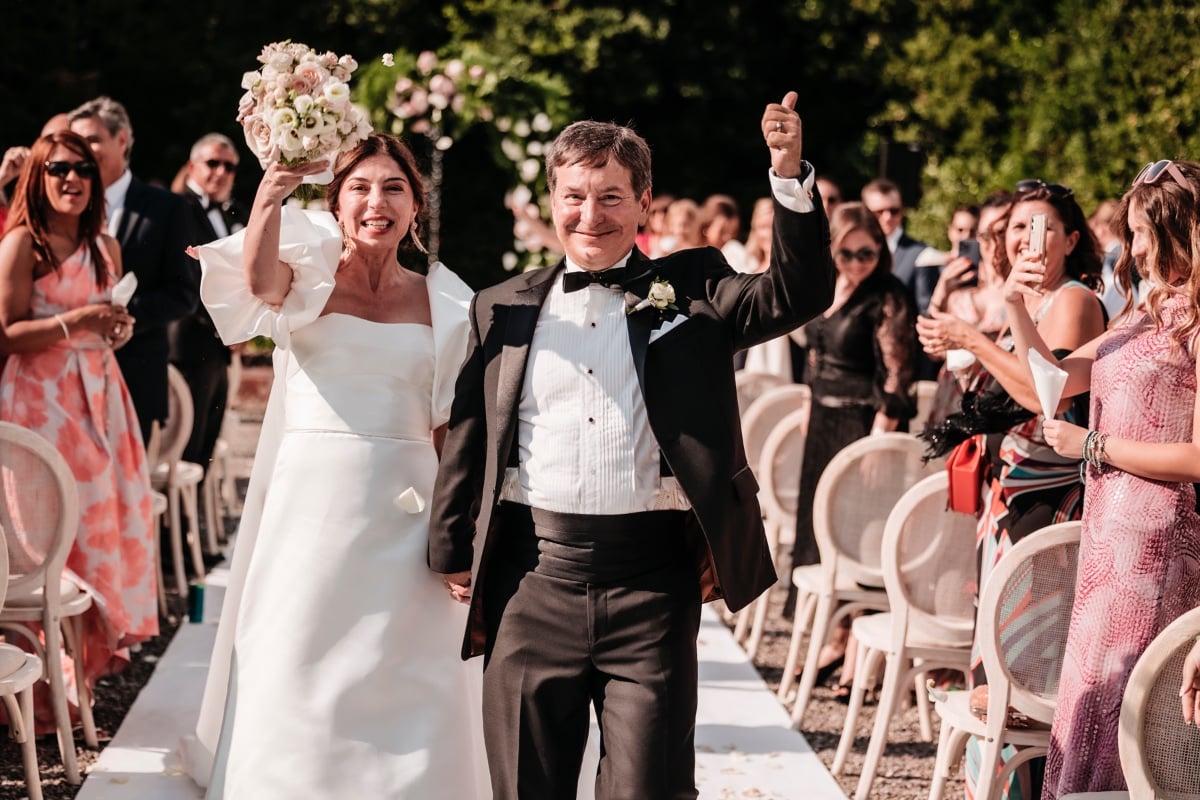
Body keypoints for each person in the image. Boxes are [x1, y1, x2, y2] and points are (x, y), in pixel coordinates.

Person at [427, 92, 834, 799]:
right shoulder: (502, 305)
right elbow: (471, 428)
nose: (591, 215)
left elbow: (800, 291)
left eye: (612, 197)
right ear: (551, 198)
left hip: (653, 584)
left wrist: (789, 174)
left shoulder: (694, 289)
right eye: (575, 196)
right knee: (527, 785)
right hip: (531, 579)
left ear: (644, 202)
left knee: (652, 788)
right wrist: (449, 545)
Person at [181, 133, 489, 796]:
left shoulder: (448, 301)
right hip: (311, 506)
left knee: (410, 661)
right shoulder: (308, 273)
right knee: (297, 650)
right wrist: (271, 188)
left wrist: (460, 534)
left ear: (417, 206)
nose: (376, 202)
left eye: (393, 188)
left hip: (409, 508)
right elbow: (258, 282)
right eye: (360, 187)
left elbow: (447, 430)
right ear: (337, 201)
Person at [1001, 160, 1200, 797]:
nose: (1131, 248)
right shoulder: (1148, 310)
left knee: (1125, 712)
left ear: (1177, 231)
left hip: (1157, 541)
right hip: (1108, 537)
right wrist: (1014, 303)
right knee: (1090, 701)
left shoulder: (1197, 320)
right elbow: (1051, 384)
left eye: (1140, 233)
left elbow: (1199, 456)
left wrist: (1095, 444)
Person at [917, 177, 1107, 800]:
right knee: (995, 658)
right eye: (1022, 226)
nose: (1033, 238)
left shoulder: (1074, 300)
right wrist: (967, 348)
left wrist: (975, 338)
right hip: (1012, 494)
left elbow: (1039, 394)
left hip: (1048, 502)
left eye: (1048, 226)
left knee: (1023, 666)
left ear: (1073, 238)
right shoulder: (1029, 298)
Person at [0, 131, 156, 730]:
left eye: (83, 170)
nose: (72, 179)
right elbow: (7, 331)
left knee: (98, 528)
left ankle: (78, 678)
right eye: (58, 169)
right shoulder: (22, 244)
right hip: (39, 402)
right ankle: (36, 692)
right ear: (37, 177)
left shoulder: (105, 246)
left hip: (100, 397)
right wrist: (76, 322)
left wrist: (114, 328)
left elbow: (106, 321)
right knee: (44, 539)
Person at [791, 201, 917, 579]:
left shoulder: (889, 293)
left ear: (881, 249)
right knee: (816, 518)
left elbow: (899, 373)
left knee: (858, 525)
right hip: (824, 417)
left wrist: (879, 441)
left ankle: (849, 624)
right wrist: (808, 400)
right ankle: (819, 617)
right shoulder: (827, 286)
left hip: (864, 421)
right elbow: (816, 352)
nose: (858, 262)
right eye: (847, 253)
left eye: (867, 253)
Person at [69, 96, 198, 443]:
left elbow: (183, 293)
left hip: (134, 378)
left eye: (92, 140)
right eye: (76, 142)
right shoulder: (63, 204)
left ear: (121, 140)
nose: (82, 151)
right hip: (66, 378)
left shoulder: (167, 208)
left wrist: (119, 318)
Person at [169, 133, 250, 475]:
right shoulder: (176, 209)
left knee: (207, 442)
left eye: (229, 166)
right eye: (212, 163)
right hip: (188, 341)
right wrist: (226, 328)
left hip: (221, 347)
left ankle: (193, 524)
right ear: (192, 166)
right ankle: (176, 526)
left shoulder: (234, 211)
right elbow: (186, 276)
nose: (221, 172)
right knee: (186, 443)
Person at [862, 177, 943, 379]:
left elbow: (925, 315)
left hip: (904, 366)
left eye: (894, 210)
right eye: (878, 212)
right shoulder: (855, 252)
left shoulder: (921, 255)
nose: (887, 217)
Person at [699, 193, 747, 272]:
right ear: (706, 229)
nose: (727, 237)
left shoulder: (733, 250)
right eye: (722, 232)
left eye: (732, 233)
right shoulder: (690, 253)